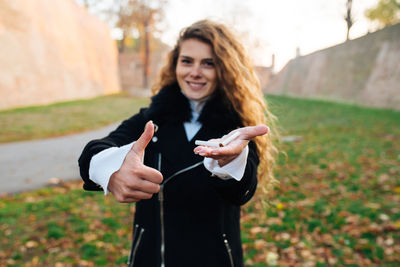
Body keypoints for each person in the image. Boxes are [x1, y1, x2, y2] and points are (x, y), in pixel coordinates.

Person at [78, 19, 277, 267]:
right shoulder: (152, 118)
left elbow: (244, 189)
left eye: (208, 63)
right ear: (175, 65)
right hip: (152, 258)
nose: (195, 72)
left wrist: (230, 162)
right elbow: (96, 151)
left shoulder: (238, 128)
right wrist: (111, 171)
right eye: (187, 61)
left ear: (225, 70)